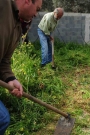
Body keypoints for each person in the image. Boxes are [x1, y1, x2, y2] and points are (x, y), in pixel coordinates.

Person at [0, 0, 42, 134]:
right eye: (37, 9)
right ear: (27, 1)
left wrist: (10, 79)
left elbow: (4, 61)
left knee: (2, 119)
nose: (36, 14)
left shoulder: (18, 26)